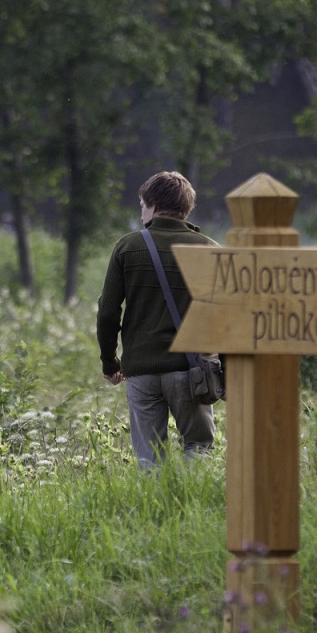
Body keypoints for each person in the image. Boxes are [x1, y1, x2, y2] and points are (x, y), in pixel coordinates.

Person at [96, 171, 220, 465]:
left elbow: (108, 311)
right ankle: (194, 506)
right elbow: (223, 317)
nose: (140, 215)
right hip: (191, 371)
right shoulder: (209, 249)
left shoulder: (127, 247)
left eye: (141, 206)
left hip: (140, 372)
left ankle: (154, 510)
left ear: (153, 205)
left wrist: (110, 362)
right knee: (198, 446)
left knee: (149, 459)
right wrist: (224, 369)